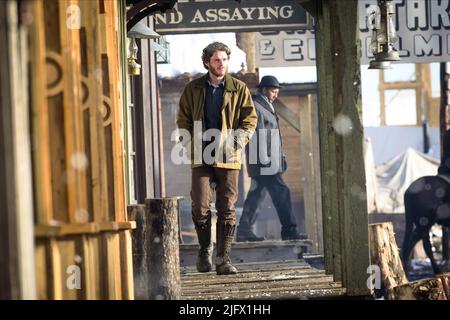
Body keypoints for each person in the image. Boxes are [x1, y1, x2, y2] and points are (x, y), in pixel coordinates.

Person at [177, 42, 257, 275]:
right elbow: (183, 119)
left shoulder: (238, 88)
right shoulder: (193, 89)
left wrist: (237, 142)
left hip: (228, 155)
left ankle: (223, 260)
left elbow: (249, 120)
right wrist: (189, 142)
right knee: (201, 205)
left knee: (227, 206)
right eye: (216, 60)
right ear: (207, 63)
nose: (221, 64)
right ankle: (205, 249)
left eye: (224, 60)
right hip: (201, 154)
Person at [236, 75, 307, 242]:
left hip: (266, 161)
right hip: (264, 162)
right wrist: (267, 160)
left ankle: (244, 230)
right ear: (264, 90)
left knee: (257, 195)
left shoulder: (264, 106)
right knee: (282, 193)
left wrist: (280, 156)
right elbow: (257, 135)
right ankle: (289, 231)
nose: (276, 95)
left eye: (276, 92)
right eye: (273, 91)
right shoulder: (256, 106)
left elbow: (270, 136)